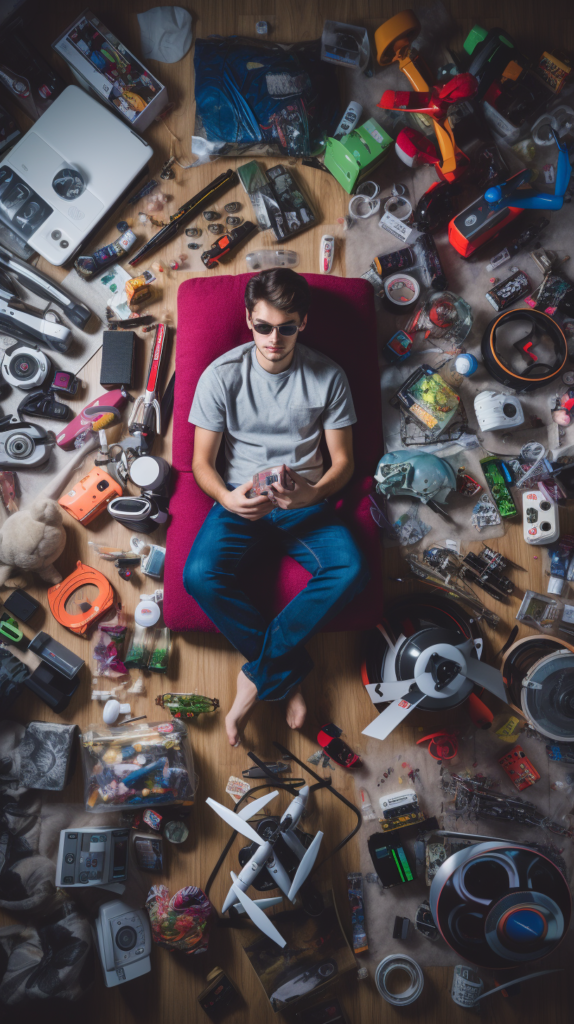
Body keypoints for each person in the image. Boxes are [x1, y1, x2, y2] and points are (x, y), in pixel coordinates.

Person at [184, 269, 370, 746]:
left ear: (302, 323)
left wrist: (312, 494)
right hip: (239, 501)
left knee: (350, 567)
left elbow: (344, 462)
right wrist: (226, 497)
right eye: (263, 326)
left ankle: (258, 675)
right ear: (249, 320)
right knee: (198, 576)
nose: (273, 339)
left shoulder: (328, 375)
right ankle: (284, 679)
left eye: (286, 327)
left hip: (304, 501)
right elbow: (200, 463)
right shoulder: (221, 375)